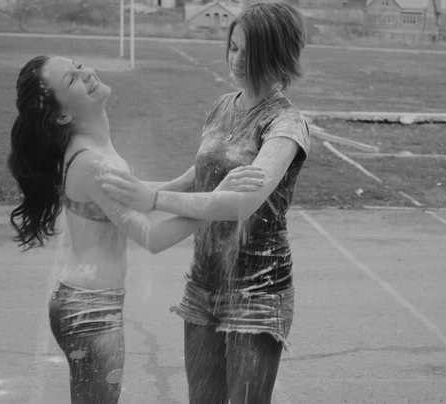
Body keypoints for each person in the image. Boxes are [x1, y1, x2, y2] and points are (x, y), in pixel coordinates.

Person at [7, 55, 264, 404]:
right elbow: (151, 237)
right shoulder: (92, 162)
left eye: (78, 66)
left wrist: (192, 178)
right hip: (89, 313)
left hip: (86, 304)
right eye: (71, 80)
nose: (86, 73)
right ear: (62, 115)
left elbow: (137, 197)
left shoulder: (93, 151)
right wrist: (218, 203)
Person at [101, 2, 310, 403]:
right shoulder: (222, 106)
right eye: (233, 47)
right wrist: (138, 194)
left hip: (258, 293)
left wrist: (156, 198)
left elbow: (240, 204)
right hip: (203, 286)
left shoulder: (285, 124)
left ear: (277, 56)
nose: (237, 60)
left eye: (250, 52)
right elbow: (201, 174)